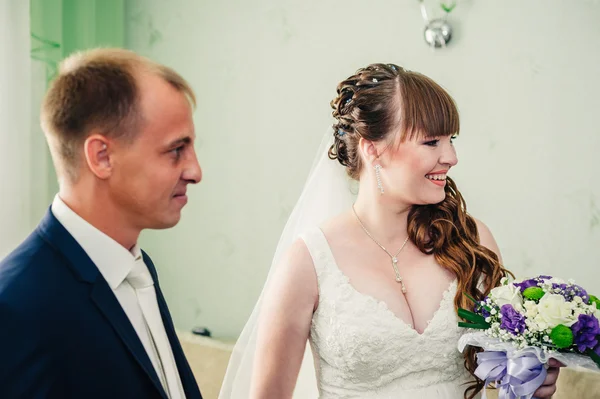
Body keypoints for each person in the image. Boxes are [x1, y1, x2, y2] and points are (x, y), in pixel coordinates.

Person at [220, 63, 560, 398]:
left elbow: (504, 381)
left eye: (451, 139)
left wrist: (533, 385)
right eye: (431, 142)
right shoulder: (308, 262)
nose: (452, 156)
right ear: (373, 149)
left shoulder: (473, 241)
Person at [0, 48, 203, 399]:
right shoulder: (15, 306)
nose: (195, 171)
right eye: (176, 150)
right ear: (102, 157)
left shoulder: (138, 267)